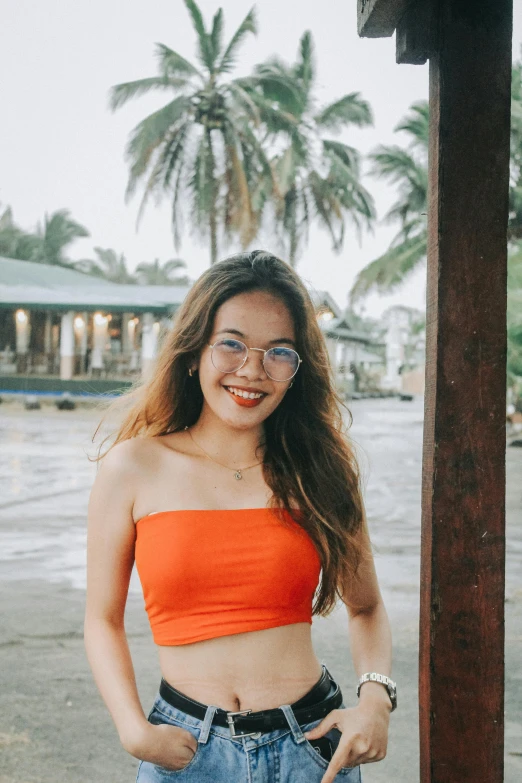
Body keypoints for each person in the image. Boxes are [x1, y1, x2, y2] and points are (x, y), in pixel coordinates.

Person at [83, 250, 395, 783]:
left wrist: (375, 701)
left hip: (311, 750)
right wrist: (132, 728)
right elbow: (102, 618)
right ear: (192, 351)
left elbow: (365, 607)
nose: (252, 369)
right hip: (184, 753)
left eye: (279, 352)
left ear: (298, 370)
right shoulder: (133, 467)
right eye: (231, 343)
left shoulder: (320, 471)